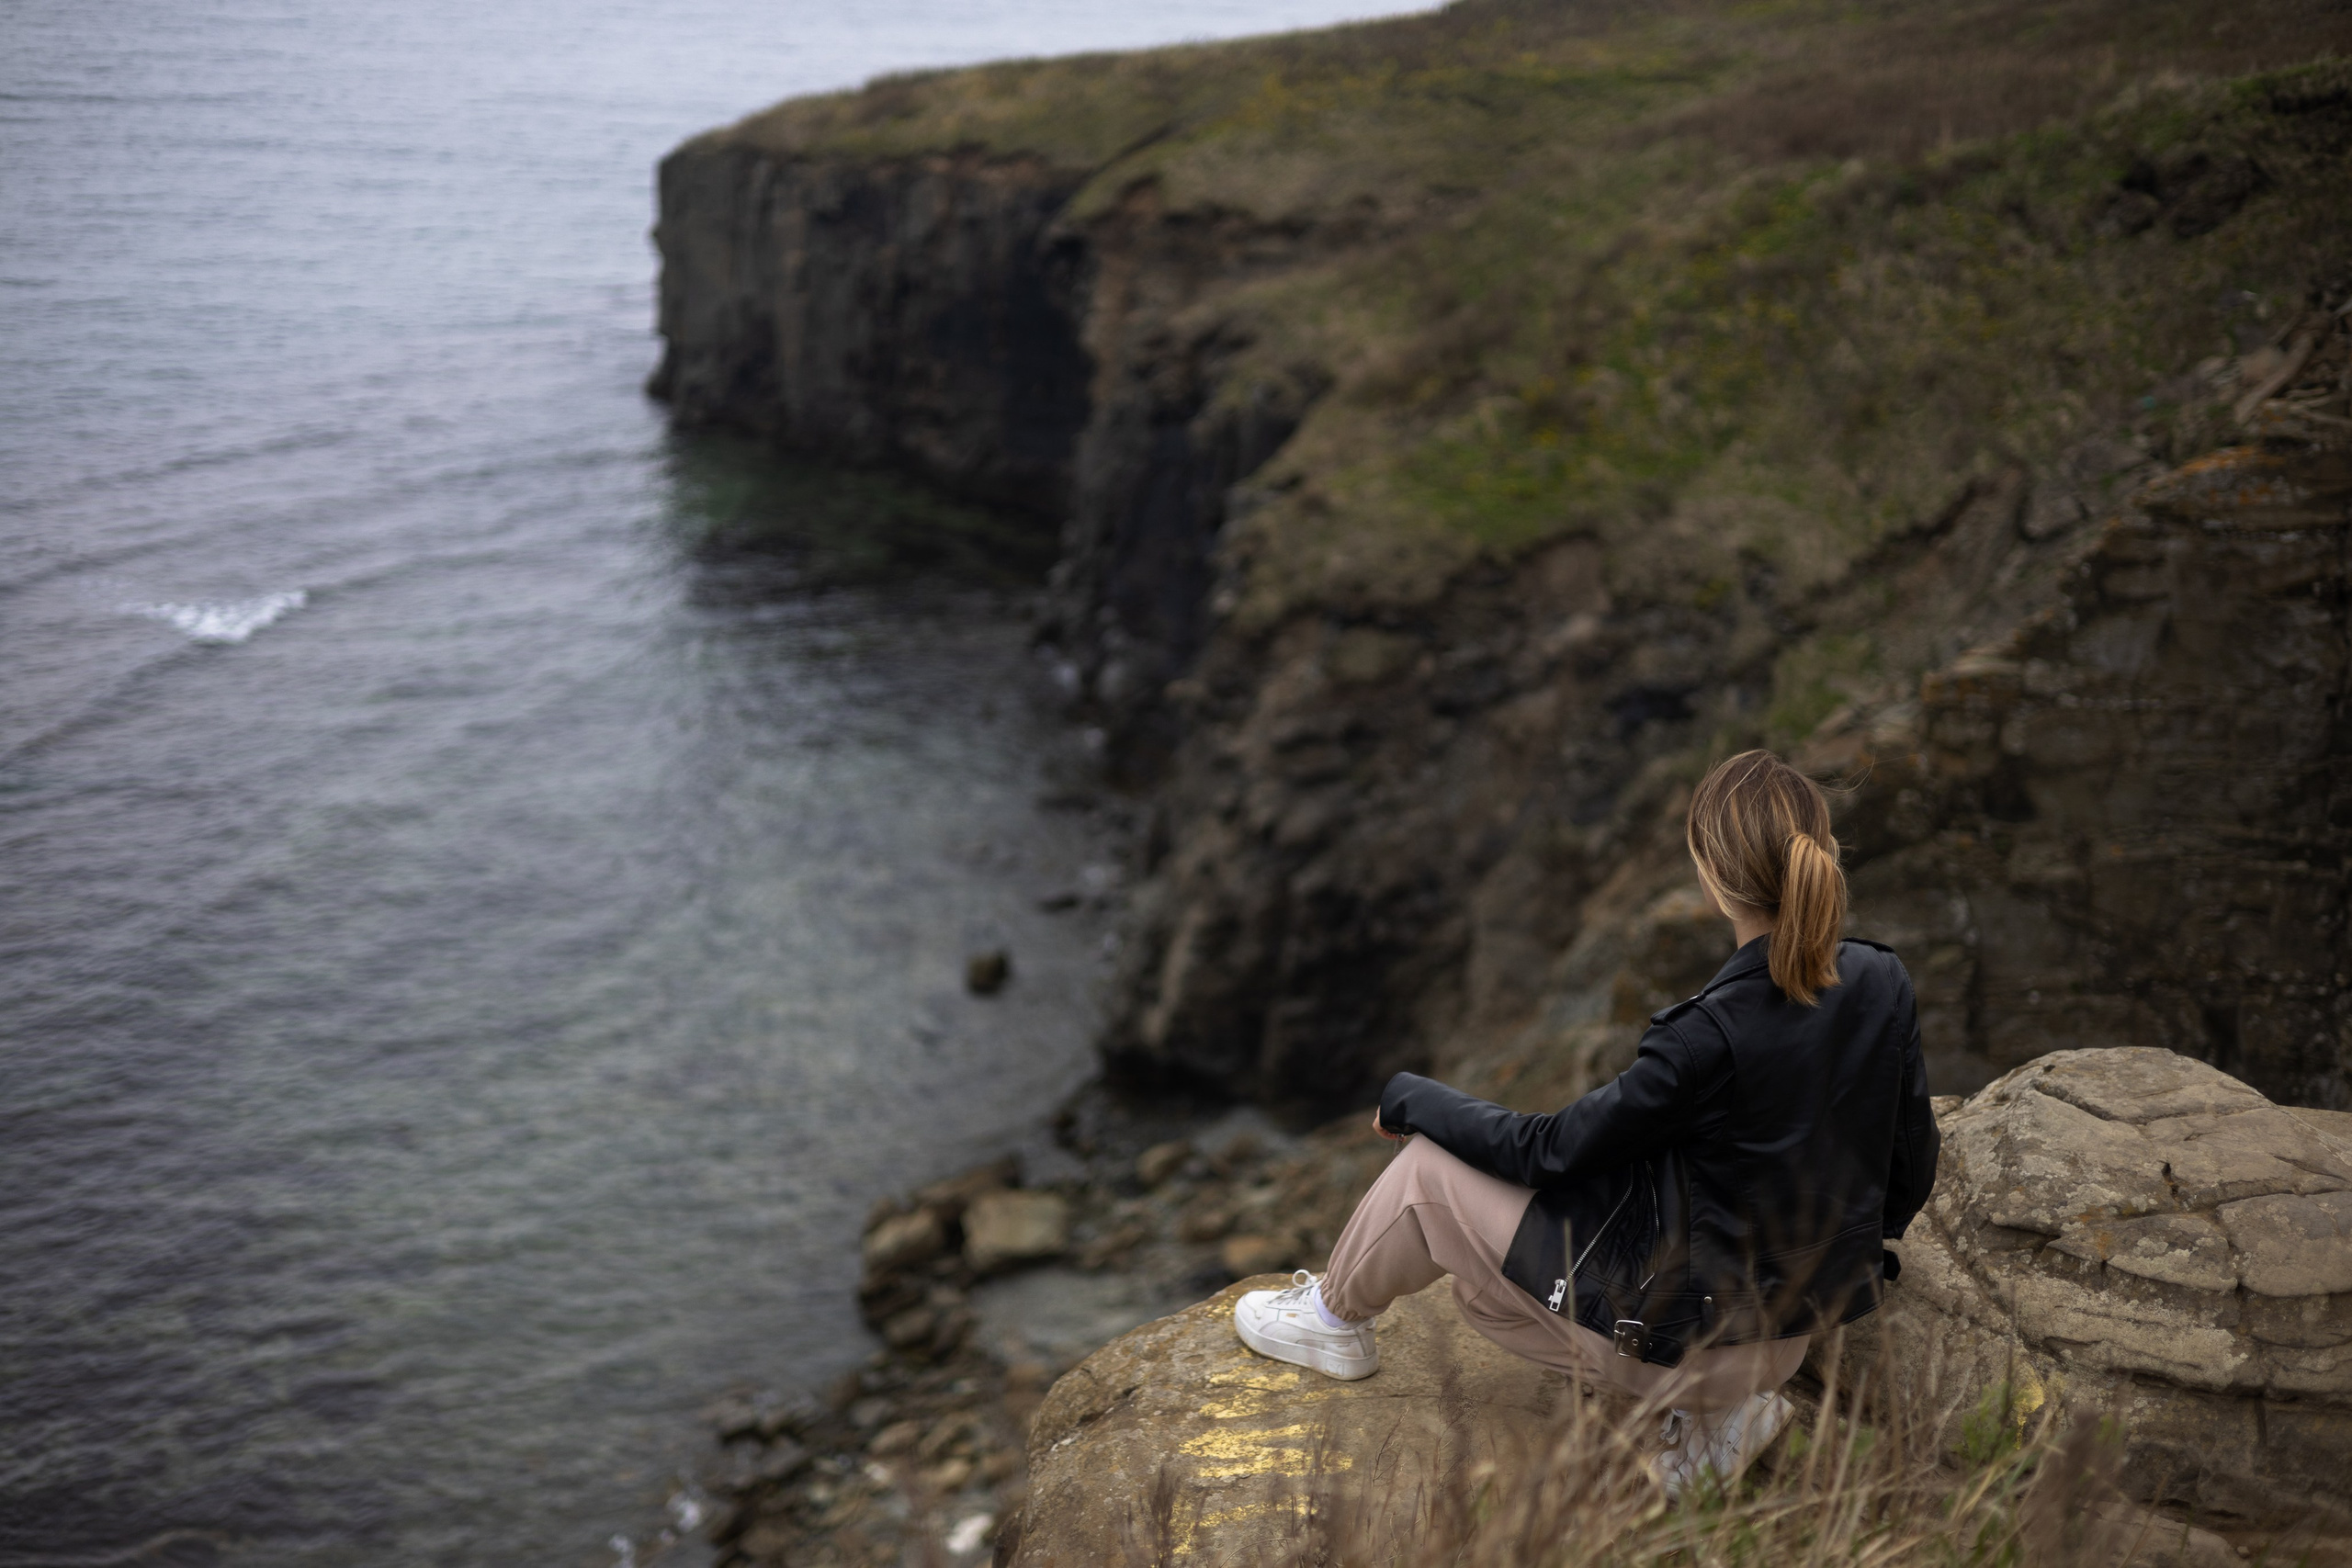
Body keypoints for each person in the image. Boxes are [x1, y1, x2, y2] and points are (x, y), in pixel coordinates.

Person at [1231, 749, 1941, 1496]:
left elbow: (1550, 1150)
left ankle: (1331, 1319)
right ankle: (1716, 1422)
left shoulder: (1704, 1036)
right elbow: (1910, 1169)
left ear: (1710, 874)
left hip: (1693, 1345)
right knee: (1477, 1293)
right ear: (1818, 853)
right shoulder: (1880, 978)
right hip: (1792, 1333)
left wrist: (1411, 1098)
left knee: (1424, 1177)